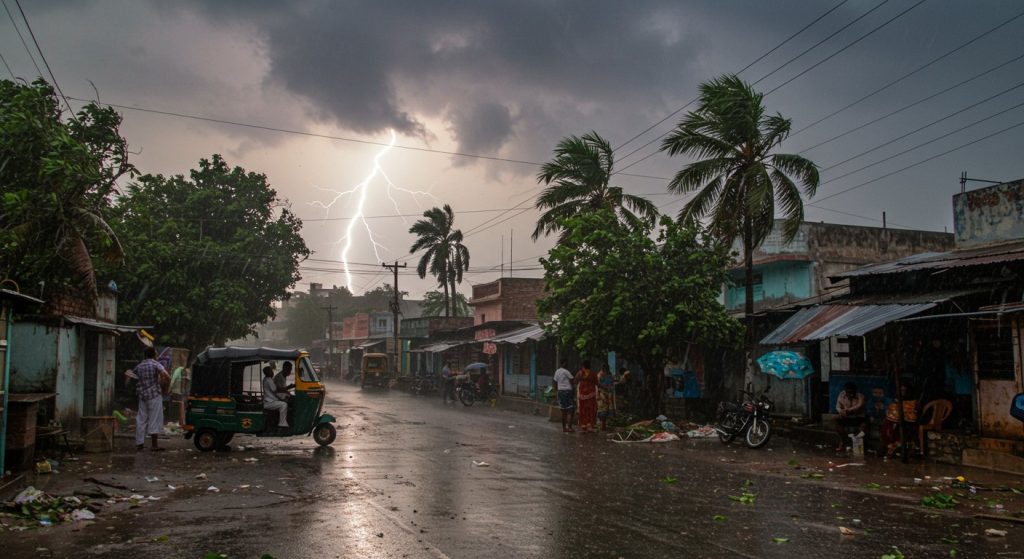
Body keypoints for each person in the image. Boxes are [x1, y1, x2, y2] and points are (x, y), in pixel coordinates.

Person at [128, 347, 170, 451]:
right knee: (154, 419)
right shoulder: (156, 364)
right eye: (156, 354)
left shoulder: (139, 366)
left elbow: (131, 376)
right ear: (154, 355)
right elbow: (167, 376)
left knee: (141, 419)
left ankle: (139, 444)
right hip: (154, 395)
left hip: (142, 396)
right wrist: (165, 387)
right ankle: (154, 445)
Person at [881, 383, 918, 458]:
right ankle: (888, 445)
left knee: (897, 426)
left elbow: (912, 414)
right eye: (900, 390)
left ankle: (895, 445)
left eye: (904, 390)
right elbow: (891, 410)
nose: (902, 392)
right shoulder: (895, 401)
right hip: (893, 421)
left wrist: (902, 416)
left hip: (907, 422)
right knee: (887, 424)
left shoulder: (913, 402)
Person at [834, 382, 867, 452]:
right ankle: (844, 442)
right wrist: (841, 411)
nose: (849, 393)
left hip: (858, 417)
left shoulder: (860, 396)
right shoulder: (841, 395)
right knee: (837, 424)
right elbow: (837, 406)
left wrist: (849, 410)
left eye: (851, 392)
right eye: (847, 391)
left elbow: (859, 406)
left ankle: (857, 444)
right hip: (846, 417)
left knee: (864, 426)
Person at [552, 359, 576, 433]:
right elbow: (572, 380)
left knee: (563, 411)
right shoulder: (566, 371)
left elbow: (555, 382)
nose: (567, 365)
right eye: (567, 363)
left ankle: (564, 428)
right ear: (564, 363)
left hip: (560, 392)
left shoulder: (557, 371)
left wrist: (556, 391)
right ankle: (569, 427)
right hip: (567, 391)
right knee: (570, 410)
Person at [576, 360, 598, 433]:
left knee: (583, 410)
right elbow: (597, 383)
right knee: (591, 410)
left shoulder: (580, 373)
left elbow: (575, 380)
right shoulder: (593, 374)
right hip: (591, 395)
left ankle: (583, 426)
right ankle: (590, 426)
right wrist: (605, 388)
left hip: (582, 395)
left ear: (583, 366)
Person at [596, 363, 615, 431]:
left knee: (606, 410)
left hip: (608, 394)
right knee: (602, 410)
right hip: (602, 394)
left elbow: (612, 384)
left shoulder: (609, 375)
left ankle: (603, 425)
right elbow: (597, 385)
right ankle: (602, 425)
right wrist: (598, 394)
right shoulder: (599, 375)